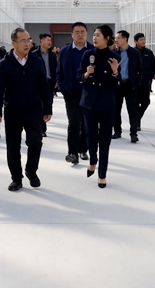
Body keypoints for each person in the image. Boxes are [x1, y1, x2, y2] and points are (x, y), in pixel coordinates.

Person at [0, 28, 53, 191]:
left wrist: (48, 108)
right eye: (23, 41)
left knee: (35, 142)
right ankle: (16, 178)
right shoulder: (4, 63)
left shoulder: (36, 61)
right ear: (13, 43)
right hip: (13, 111)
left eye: (29, 40)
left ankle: (31, 171)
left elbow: (44, 86)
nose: (27, 44)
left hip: (34, 110)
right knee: (13, 147)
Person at [78, 25, 121, 188]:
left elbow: (118, 84)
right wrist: (86, 74)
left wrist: (115, 72)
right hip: (89, 102)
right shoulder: (87, 54)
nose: (94, 38)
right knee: (90, 135)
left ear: (107, 38)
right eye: (94, 35)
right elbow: (78, 76)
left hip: (106, 103)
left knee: (105, 139)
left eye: (98, 35)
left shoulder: (114, 57)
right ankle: (93, 160)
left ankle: (102, 174)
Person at [56, 22, 93, 165]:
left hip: (88, 93)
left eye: (82, 32)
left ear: (87, 33)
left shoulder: (92, 50)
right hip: (71, 93)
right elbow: (59, 71)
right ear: (72, 34)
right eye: (77, 32)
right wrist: (63, 88)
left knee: (86, 123)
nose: (80, 35)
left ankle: (83, 149)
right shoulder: (65, 51)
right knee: (74, 123)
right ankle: (72, 153)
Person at [112, 30, 143, 143]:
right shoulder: (114, 53)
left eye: (118, 38)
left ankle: (133, 133)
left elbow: (140, 69)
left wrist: (136, 83)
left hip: (130, 85)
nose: (116, 40)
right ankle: (117, 131)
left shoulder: (135, 53)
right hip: (117, 85)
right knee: (116, 110)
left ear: (125, 39)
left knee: (132, 110)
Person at [32, 33, 58, 137]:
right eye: (48, 40)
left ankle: (43, 125)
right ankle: (41, 129)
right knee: (39, 105)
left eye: (50, 40)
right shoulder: (34, 54)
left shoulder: (52, 55)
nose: (50, 42)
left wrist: (56, 81)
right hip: (38, 83)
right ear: (41, 41)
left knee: (48, 103)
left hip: (50, 83)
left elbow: (55, 68)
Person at [134, 33, 155, 130]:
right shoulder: (133, 52)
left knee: (145, 102)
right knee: (135, 104)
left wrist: (151, 75)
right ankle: (136, 124)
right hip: (135, 83)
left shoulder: (149, 53)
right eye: (141, 40)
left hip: (146, 82)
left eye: (144, 39)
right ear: (136, 41)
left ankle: (137, 119)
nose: (143, 41)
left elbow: (153, 65)